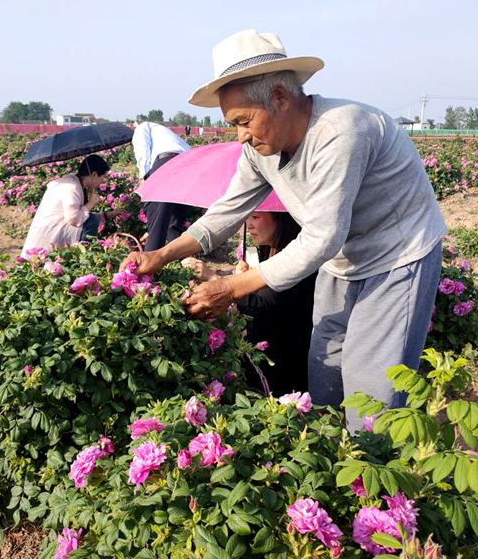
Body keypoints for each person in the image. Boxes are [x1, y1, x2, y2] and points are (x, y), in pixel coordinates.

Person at [121, 29, 447, 430]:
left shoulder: (341, 131)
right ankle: (333, 463)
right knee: (325, 371)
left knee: (372, 389)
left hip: (396, 257)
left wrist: (229, 288)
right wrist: (162, 255)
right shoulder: (261, 149)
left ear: (279, 98)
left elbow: (323, 235)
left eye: (243, 121)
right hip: (341, 261)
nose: (240, 135)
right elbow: (226, 211)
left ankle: (376, 479)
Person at [182, 211, 316, 396]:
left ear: (281, 219)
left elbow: (263, 307)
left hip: (286, 366)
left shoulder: (294, 260)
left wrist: (215, 279)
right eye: (249, 217)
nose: (249, 224)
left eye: (256, 217)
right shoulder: (273, 249)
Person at [21, 154, 116, 257]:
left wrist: (107, 215)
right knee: (92, 221)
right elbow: (74, 219)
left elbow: (81, 214)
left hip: (52, 229)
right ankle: (85, 257)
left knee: (92, 219)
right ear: (94, 174)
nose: (104, 180)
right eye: (103, 176)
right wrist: (91, 203)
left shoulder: (76, 182)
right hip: (49, 235)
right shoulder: (72, 187)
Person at [131, 121, 191, 251]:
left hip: (167, 162)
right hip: (188, 165)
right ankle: (182, 262)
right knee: (173, 224)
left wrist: (144, 177)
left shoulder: (142, 127)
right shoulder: (165, 133)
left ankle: (150, 267)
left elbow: (142, 152)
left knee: (156, 219)